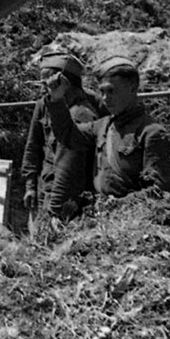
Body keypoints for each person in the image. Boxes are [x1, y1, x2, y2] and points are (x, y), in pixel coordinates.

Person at [46, 56, 170, 201]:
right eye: (102, 92)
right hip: (104, 214)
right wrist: (56, 100)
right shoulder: (103, 126)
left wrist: (119, 205)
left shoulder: (151, 133)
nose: (105, 98)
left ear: (133, 88)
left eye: (111, 91)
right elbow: (67, 135)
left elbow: (160, 189)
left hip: (133, 218)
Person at [20, 52, 101, 232]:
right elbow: (33, 145)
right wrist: (30, 186)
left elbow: (70, 167)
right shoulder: (45, 104)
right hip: (45, 188)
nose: (43, 90)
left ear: (64, 83)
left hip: (69, 196)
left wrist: (56, 207)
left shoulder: (82, 113)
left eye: (47, 84)